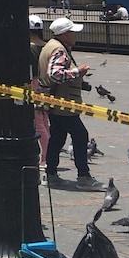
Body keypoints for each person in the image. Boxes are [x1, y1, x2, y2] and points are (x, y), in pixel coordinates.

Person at [39, 17, 104, 191]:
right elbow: (55, 74)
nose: (75, 35)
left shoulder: (51, 46)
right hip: (63, 102)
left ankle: (51, 174)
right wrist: (78, 72)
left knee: (58, 137)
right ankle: (83, 176)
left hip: (54, 101)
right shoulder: (59, 50)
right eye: (73, 32)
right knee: (80, 135)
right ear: (65, 34)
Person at [28, 14, 50, 167]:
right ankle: (49, 154)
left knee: (38, 123)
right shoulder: (47, 45)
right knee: (45, 120)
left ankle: (46, 157)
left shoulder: (29, 48)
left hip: (34, 84)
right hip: (47, 85)